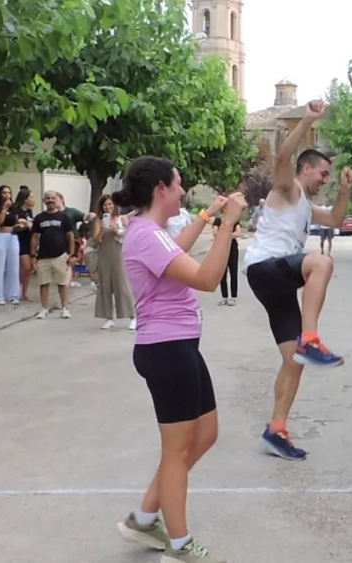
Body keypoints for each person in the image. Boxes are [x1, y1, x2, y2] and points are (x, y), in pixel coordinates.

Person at [114, 155, 245, 563]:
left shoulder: (153, 232)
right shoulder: (146, 235)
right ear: (161, 190)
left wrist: (207, 216)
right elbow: (207, 279)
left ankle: (144, 517)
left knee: (205, 435)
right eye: (178, 183)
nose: (183, 190)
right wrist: (227, 226)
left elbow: (177, 251)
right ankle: (180, 545)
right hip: (166, 349)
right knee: (177, 451)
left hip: (179, 346)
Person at [243, 99, 352, 461]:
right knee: (321, 263)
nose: (325, 180)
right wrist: (307, 119)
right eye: (323, 174)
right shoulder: (288, 188)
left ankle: (276, 430)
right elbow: (282, 157)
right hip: (266, 267)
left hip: (275, 280)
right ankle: (310, 338)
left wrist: (344, 190)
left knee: (293, 362)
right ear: (306, 169)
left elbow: (335, 220)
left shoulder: (305, 204)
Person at [92, 194, 137, 330]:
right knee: (105, 286)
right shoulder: (98, 220)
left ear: (114, 205)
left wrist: (116, 229)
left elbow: (130, 235)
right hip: (104, 255)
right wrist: (103, 229)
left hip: (119, 254)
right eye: (105, 205)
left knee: (122, 285)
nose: (108, 207)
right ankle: (108, 317)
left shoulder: (122, 218)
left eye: (110, 204)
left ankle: (132, 316)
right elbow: (96, 241)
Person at [30, 191, 75, 319]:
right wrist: (33, 255)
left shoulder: (64, 217)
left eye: (53, 198)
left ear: (57, 200)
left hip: (60, 255)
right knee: (43, 284)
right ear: (44, 200)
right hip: (43, 256)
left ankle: (65, 308)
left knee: (62, 284)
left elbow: (70, 236)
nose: (50, 200)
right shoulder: (39, 218)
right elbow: (34, 237)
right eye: (48, 198)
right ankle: (44, 309)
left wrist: (71, 254)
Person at [0, 185, 21, 305]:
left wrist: (20, 225)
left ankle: (13, 294)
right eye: (4, 193)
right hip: (0, 236)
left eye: (9, 193)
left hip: (12, 236)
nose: (7, 195)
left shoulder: (14, 208)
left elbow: (16, 221)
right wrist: (4, 208)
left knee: (14, 267)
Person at [212, 209, 242, 305]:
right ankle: (224, 296)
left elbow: (238, 233)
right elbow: (215, 233)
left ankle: (233, 297)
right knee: (222, 274)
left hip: (232, 249)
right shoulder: (218, 221)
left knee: (233, 272)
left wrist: (224, 235)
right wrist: (230, 235)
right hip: (221, 249)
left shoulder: (235, 221)